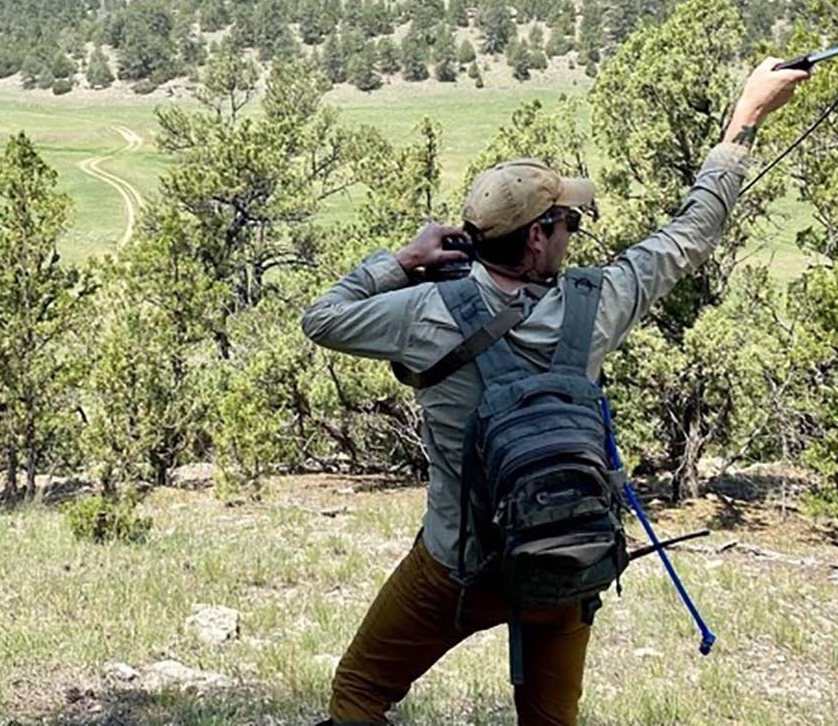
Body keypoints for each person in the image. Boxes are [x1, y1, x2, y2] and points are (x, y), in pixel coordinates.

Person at [300, 58, 809, 725]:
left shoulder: (423, 312)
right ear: (539, 236)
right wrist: (745, 118)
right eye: (568, 219)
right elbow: (691, 234)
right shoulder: (597, 305)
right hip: (564, 566)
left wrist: (402, 259)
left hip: (457, 569)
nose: (574, 230)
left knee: (360, 692)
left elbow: (323, 317)